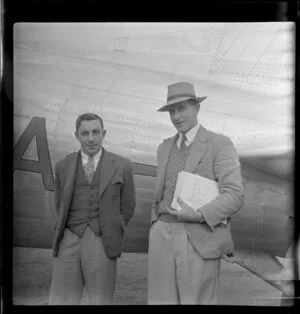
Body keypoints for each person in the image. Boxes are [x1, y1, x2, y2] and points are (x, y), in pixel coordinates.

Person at [147, 82, 244, 305]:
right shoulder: (163, 147)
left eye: (182, 108)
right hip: (162, 234)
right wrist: (155, 225)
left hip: (198, 235)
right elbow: (159, 192)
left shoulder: (219, 144)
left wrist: (200, 214)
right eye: (172, 111)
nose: (176, 116)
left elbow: (234, 195)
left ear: (196, 108)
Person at [49, 113, 136, 305]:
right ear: (76, 135)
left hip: (102, 240)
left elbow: (128, 206)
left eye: (96, 132)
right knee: (61, 300)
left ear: (103, 133)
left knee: (100, 300)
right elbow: (59, 204)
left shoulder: (122, 165)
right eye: (85, 133)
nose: (91, 138)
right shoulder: (62, 165)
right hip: (69, 238)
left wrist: (112, 228)